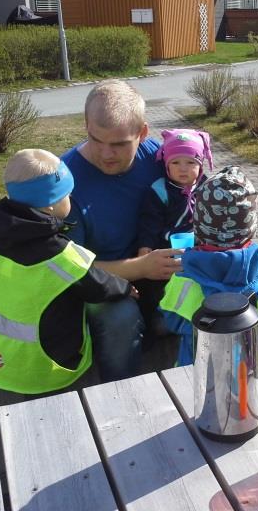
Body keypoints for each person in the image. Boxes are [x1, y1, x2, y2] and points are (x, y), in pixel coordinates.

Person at [0, 149, 134, 394]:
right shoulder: (60, 255)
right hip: (48, 370)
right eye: (67, 195)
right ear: (50, 205)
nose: (71, 199)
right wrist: (126, 287)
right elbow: (98, 286)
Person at [60, 79, 181, 381]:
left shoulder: (158, 158)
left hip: (155, 276)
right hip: (94, 288)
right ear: (86, 124)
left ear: (142, 133)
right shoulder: (62, 182)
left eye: (119, 144)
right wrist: (141, 267)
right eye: (95, 140)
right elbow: (67, 268)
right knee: (121, 319)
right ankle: (118, 395)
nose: (106, 154)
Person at [159, 165, 258, 366]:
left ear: (199, 227)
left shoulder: (183, 280)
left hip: (196, 374)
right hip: (253, 371)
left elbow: (170, 321)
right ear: (250, 229)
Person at [134, 129, 213, 344]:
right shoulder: (159, 190)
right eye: (176, 163)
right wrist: (145, 248)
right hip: (165, 251)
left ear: (201, 163)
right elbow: (148, 222)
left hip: (199, 250)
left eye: (190, 162)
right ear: (166, 164)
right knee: (159, 286)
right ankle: (159, 318)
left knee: (196, 284)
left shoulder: (208, 188)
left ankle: (193, 314)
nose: (183, 169)